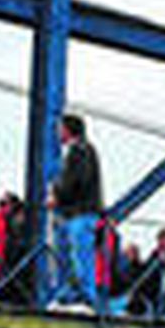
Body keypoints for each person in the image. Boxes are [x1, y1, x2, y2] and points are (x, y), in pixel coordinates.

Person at [50, 113, 102, 307]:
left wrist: (58, 193)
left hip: (80, 213)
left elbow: (78, 181)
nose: (57, 133)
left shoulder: (80, 150)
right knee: (73, 255)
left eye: (60, 128)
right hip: (76, 213)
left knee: (80, 257)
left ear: (67, 129)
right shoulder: (82, 150)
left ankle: (85, 297)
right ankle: (72, 295)